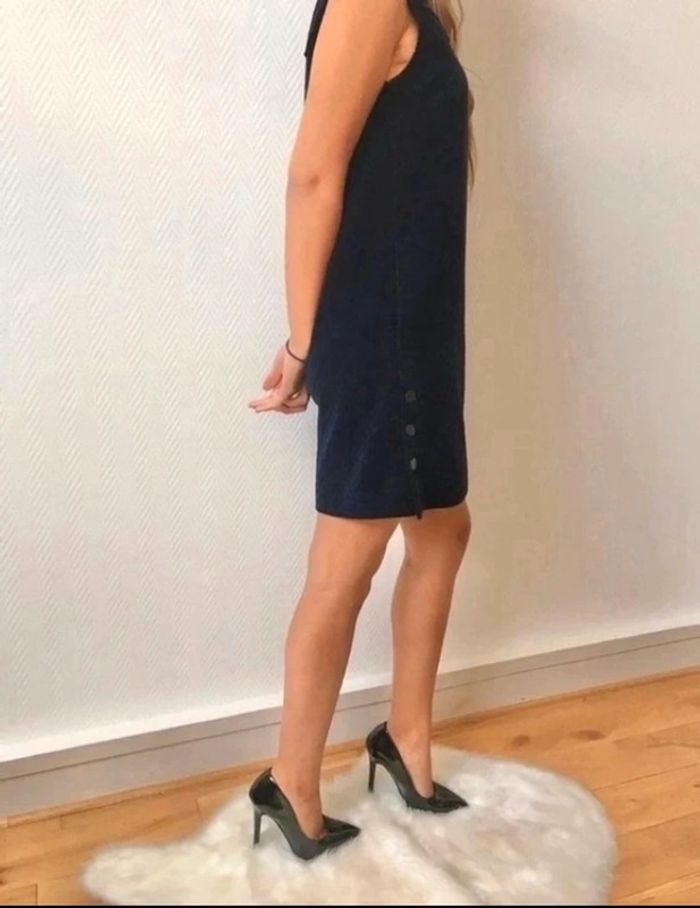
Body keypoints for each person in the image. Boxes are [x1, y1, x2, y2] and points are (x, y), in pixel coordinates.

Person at [248, 0, 475, 861]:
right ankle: (291, 781)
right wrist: (306, 344)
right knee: (348, 556)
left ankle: (404, 737)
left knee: (444, 528)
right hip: (383, 325)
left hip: (421, 325)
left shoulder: (424, 7)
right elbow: (314, 174)